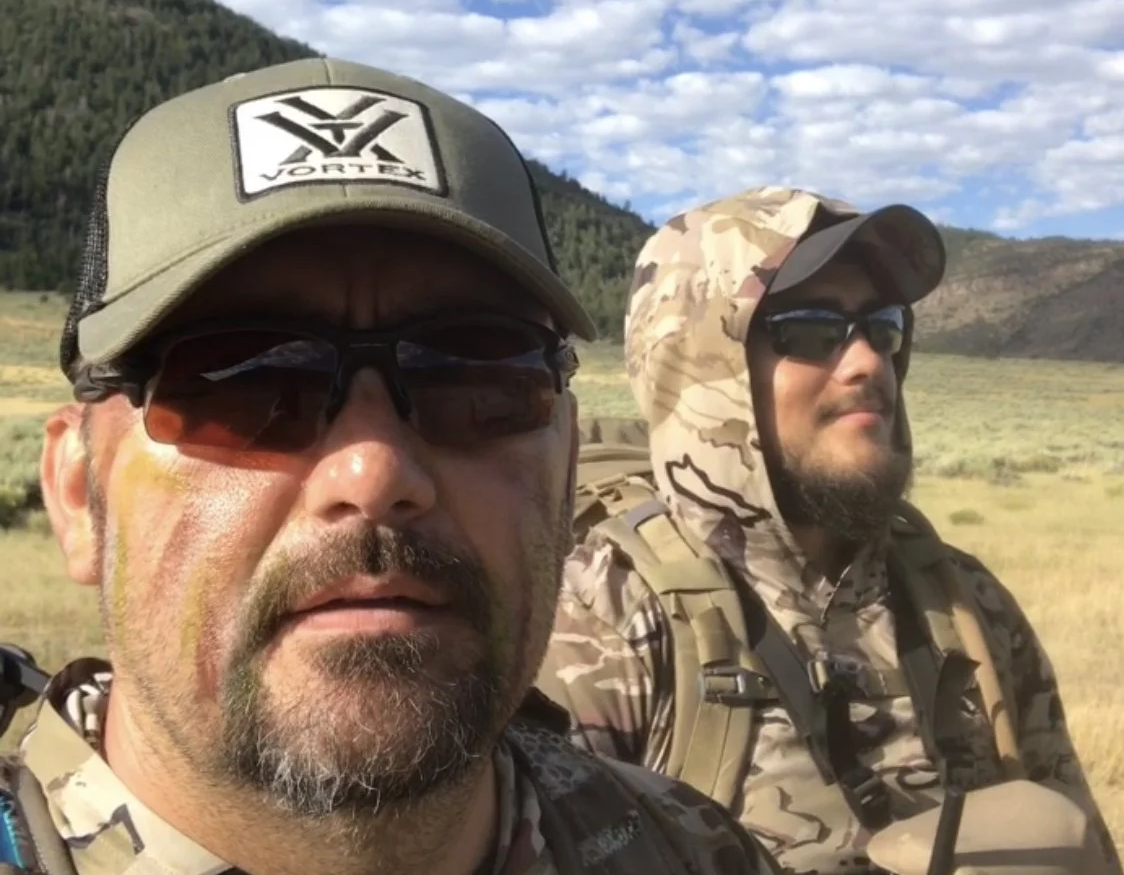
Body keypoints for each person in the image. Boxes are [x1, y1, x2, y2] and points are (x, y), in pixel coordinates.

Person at [0, 59, 782, 875]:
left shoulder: (693, 850)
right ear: (75, 494)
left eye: (478, 376)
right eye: (246, 380)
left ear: (565, 474)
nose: (374, 473)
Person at [536, 186, 1121, 875]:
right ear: (701, 364)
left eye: (884, 327)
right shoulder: (601, 619)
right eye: (811, 330)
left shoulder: (965, 603)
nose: (869, 362)